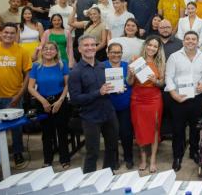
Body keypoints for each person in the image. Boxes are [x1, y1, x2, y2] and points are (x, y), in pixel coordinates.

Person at [0, 23, 32, 166]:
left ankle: (18, 153)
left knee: (16, 128)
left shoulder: (22, 51)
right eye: (6, 32)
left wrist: (19, 96)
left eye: (12, 33)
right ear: (1, 33)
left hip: (13, 97)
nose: (9, 35)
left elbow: (27, 75)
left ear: (16, 35)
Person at [68, 35, 118, 173]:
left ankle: (108, 174)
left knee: (112, 147)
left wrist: (115, 90)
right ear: (79, 49)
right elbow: (75, 99)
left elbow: (106, 90)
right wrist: (98, 92)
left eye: (93, 45)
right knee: (93, 152)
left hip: (108, 113)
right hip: (90, 117)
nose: (90, 47)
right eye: (86, 45)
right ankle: (88, 181)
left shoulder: (103, 66)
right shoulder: (75, 72)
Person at [164, 31, 202, 170]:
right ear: (183, 41)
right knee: (178, 129)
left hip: (196, 98)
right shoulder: (174, 57)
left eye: (193, 39)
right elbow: (168, 77)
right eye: (188, 39)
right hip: (178, 99)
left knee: (195, 128)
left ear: (198, 42)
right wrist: (174, 94)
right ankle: (177, 156)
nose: (191, 41)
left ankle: (194, 152)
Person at [28, 41, 70, 168]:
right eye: (46, 49)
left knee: (62, 131)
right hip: (42, 101)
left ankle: (64, 159)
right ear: (42, 51)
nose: (48, 51)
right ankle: (48, 160)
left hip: (60, 99)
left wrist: (60, 100)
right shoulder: (36, 66)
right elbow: (30, 87)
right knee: (47, 133)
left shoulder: (62, 65)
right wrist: (43, 101)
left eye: (52, 49)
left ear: (56, 51)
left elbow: (67, 84)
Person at [127, 35, 165, 173]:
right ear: (145, 45)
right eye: (150, 45)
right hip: (138, 98)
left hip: (154, 98)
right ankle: (143, 158)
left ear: (158, 49)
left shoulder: (160, 63)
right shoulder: (135, 60)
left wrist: (156, 80)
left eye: (155, 46)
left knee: (155, 128)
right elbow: (130, 82)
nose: (151, 48)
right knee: (140, 128)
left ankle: (153, 159)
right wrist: (131, 74)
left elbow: (162, 83)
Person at [103, 42, 134, 170]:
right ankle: (113, 159)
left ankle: (129, 158)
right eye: (113, 52)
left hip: (124, 104)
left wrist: (131, 75)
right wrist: (110, 88)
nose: (116, 55)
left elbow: (130, 83)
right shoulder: (101, 66)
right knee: (111, 134)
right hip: (108, 105)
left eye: (119, 52)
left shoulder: (127, 65)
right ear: (108, 53)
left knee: (126, 133)